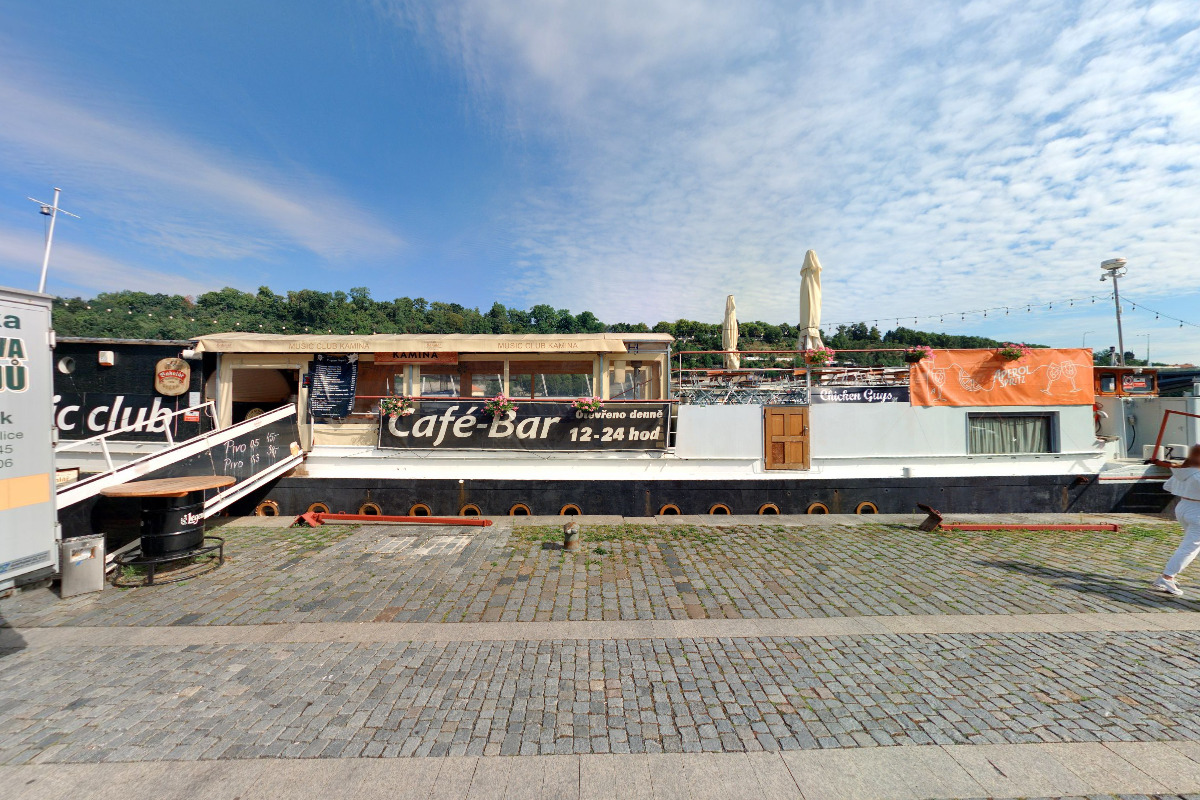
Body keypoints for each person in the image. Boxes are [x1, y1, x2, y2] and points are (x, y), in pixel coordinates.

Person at [1150, 443, 1200, 597]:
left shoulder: (1184, 470)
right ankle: (1167, 577)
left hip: (1183, 506)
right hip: (1197, 511)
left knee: (1193, 545)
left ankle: (1167, 576)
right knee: (1190, 547)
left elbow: (1169, 486)